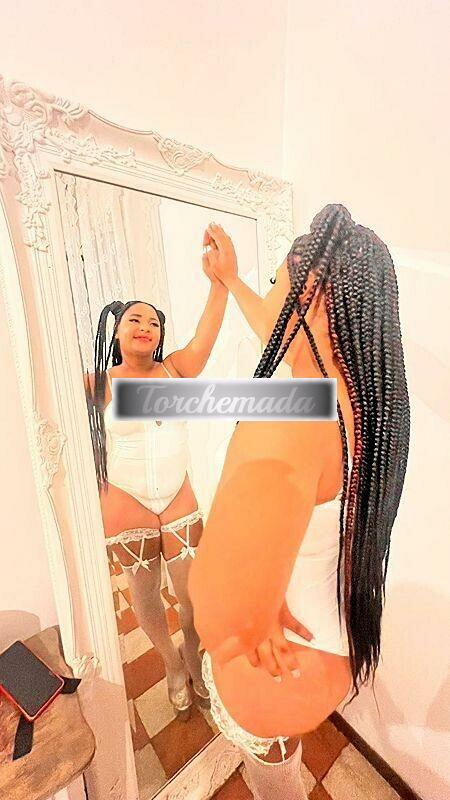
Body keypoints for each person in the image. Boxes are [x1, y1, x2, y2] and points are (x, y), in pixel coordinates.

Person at [188, 206, 410, 799]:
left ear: (308, 295)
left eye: (275, 283)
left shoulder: (292, 418)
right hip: (333, 639)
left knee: (274, 783)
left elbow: (213, 612)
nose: (271, 298)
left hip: (283, 668)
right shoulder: (373, 407)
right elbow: (279, 328)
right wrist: (230, 280)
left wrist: (250, 607)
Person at [84, 226, 230, 720]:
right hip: (125, 499)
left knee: (191, 599)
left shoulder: (176, 370)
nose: (145, 325)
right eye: (134, 319)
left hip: (177, 495)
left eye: (153, 321)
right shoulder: (98, 383)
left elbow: (206, 334)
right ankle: (171, 664)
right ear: (117, 332)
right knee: (146, 598)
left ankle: (193, 652)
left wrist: (218, 282)